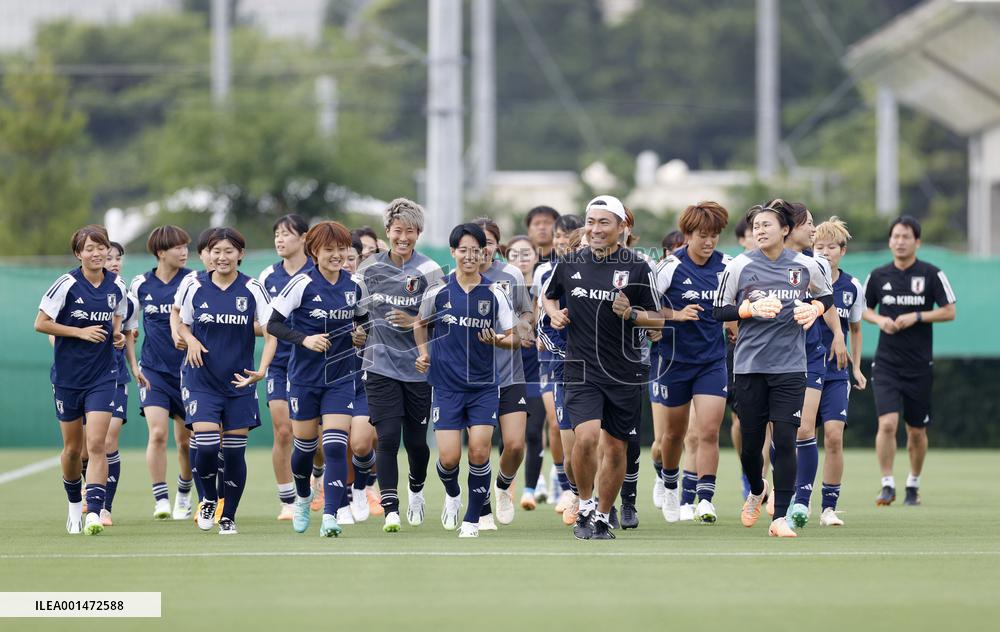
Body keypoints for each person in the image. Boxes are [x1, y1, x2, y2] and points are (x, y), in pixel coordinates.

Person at [713, 199, 833, 538]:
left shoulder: (805, 266)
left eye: (767, 225)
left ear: (786, 230)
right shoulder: (738, 266)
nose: (760, 230)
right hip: (750, 366)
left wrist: (814, 310)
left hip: (791, 367)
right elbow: (718, 311)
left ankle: (779, 517)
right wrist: (748, 309)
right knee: (751, 447)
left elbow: (826, 297)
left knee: (785, 438)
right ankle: (755, 488)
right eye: (756, 226)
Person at [543, 195, 661, 540]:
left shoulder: (638, 267)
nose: (594, 229)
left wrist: (631, 314)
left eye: (603, 222)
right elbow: (548, 296)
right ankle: (584, 504)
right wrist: (553, 314)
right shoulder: (568, 263)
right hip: (580, 367)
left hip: (624, 371)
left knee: (616, 448)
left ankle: (604, 515)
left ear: (622, 227)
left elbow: (657, 322)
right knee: (586, 438)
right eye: (591, 222)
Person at [267, 221, 370, 537]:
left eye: (342, 249)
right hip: (303, 380)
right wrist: (304, 340)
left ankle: (331, 515)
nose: (337, 255)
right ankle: (302, 497)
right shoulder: (301, 284)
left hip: (341, 377)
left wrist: (360, 335)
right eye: (329, 250)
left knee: (337, 447)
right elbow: (274, 324)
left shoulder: (355, 285)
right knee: (304, 450)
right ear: (314, 251)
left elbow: (365, 323)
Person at [414, 223, 517, 538]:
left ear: (484, 253)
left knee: (479, 452)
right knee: (448, 458)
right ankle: (454, 494)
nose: (470, 256)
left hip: (484, 387)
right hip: (445, 386)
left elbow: (514, 336)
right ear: (453, 252)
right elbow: (420, 324)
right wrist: (424, 354)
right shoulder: (438, 290)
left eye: (476, 250)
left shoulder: (495, 292)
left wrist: (499, 340)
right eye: (463, 250)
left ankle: (472, 520)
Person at [353, 198, 444, 532]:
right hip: (379, 366)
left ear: (418, 233)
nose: (402, 237)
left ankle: (416, 491)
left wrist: (415, 322)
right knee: (387, 437)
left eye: (410, 231)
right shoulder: (368, 268)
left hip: (418, 369)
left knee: (417, 443)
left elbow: (442, 318)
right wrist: (357, 334)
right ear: (387, 232)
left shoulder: (430, 270)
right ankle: (390, 508)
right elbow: (357, 314)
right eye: (397, 230)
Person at [178, 227, 277, 535]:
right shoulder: (194, 285)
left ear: (240, 255)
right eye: (216, 251)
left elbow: (272, 331)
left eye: (229, 251)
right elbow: (182, 324)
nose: (222, 257)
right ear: (208, 254)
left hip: (239, 384)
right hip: (201, 381)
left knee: (234, 453)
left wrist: (261, 369)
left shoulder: (253, 289)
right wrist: (190, 340)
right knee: (206, 446)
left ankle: (228, 515)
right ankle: (207, 497)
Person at [35, 225, 128, 535]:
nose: (97, 253)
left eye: (101, 247)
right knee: (73, 450)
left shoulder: (117, 286)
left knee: (97, 444)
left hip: (103, 376)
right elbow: (41, 323)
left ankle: (95, 510)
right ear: (78, 254)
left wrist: (115, 335)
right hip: (68, 378)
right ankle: (75, 505)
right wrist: (79, 332)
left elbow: (118, 317)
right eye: (89, 248)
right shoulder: (66, 284)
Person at [862, 215, 956, 506]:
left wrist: (916, 316)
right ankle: (887, 484)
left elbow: (949, 310)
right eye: (895, 236)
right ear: (889, 241)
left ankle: (913, 484)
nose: (900, 241)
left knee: (916, 431)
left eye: (906, 237)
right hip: (887, 363)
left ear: (917, 242)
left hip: (919, 366)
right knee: (887, 424)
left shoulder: (931, 274)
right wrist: (880, 320)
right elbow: (862, 309)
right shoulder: (878, 276)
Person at [655, 202, 731, 524]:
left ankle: (705, 498)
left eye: (714, 235)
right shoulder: (669, 267)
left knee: (708, 431)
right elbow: (645, 311)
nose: (709, 242)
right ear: (687, 234)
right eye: (702, 235)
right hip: (673, 362)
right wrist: (676, 315)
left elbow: (737, 304)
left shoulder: (728, 266)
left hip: (712, 361)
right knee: (673, 435)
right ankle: (670, 484)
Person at [780, 202, 846, 527]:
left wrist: (837, 334)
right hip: (773, 360)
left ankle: (802, 502)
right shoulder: (759, 264)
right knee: (776, 434)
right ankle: (764, 492)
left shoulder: (815, 265)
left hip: (809, 356)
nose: (813, 228)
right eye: (808, 223)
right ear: (789, 229)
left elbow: (828, 302)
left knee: (806, 428)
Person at [129, 225, 196, 520]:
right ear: (160, 252)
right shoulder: (140, 283)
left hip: (188, 371)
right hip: (153, 370)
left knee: (185, 442)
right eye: (177, 247)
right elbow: (128, 324)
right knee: (157, 433)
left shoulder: (193, 280)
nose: (184, 252)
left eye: (186, 246)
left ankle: (184, 493)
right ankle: (160, 499)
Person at [472, 218, 534, 527]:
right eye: (476, 241)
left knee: (515, 444)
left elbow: (526, 312)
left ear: (498, 245)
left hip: (509, 371)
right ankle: (480, 506)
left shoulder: (510, 275)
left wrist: (522, 329)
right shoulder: (454, 278)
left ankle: (502, 487)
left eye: (489, 242)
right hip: (470, 377)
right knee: (478, 449)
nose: (483, 248)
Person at [258, 214, 314, 521]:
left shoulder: (316, 271)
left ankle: (315, 477)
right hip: (280, 364)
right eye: (277, 234)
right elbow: (267, 324)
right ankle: (288, 499)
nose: (280, 240)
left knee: (312, 438)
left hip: (313, 365)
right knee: (283, 431)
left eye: (287, 234)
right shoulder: (269, 276)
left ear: (304, 237)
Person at [812, 217, 867, 526]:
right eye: (819, 246)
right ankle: (794, 500)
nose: (825, 252)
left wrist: (856, 368)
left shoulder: (852, 286)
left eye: (831, 246)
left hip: (836, 373)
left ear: (842, 251)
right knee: (802, 436)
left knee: (834, 437)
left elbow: (856, 330)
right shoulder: (804, 281)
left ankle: (829, 507)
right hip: (804, 370)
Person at [538, 214, 582, 506]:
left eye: (569, 238)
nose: (562, 243)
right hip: (560, 362)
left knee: (599, 439)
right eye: (559, 238)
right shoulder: (547, 272)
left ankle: (603, 504)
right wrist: (550, 322)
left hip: (604, 367)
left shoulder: (611, 271)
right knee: (559, 428)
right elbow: (540, 313)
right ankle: (569, 489)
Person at [504, 235, 548, 511]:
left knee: (533, 432)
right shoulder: (501, 288)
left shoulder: (546, 285)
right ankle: (505, 485)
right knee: (510, 439)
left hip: (537, 368)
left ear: (535, 255)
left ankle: (530, 489)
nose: (520, 259)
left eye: (526, 253)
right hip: (507, 369)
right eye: (514, 255)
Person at [101, 241, 141, 527]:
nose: (114, 261)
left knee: (108, 439)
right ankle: (84, 492)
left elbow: (127, 335)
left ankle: (104, 506)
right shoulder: (76, 288)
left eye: (118, 258)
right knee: (82, 447)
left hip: (115, 377)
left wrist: (134, 366)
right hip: (80, 377)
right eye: (109, 257)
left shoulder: (127, 296)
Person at [343, 236, 382, 521]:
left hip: (362, 377)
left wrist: (364, 334)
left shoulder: (367, 290)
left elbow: (381, 330)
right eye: (336, 255)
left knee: (360, 444)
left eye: (350, 257)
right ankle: (335, 496)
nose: (343, 262)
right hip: (325, 379)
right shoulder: (311, 287)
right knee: (328, 445)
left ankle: (361, 486)